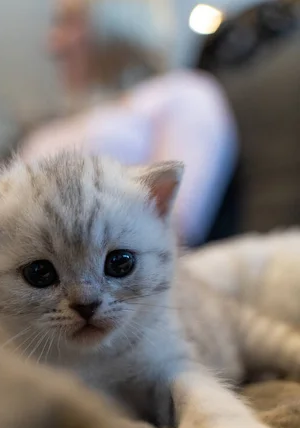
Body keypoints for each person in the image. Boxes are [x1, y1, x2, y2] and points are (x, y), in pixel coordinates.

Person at [17, 0, 238, 247]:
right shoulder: (55, 124)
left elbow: (176, 227)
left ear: (118, 21)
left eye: (68, 23)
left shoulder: (182, 91)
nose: (52, 44)